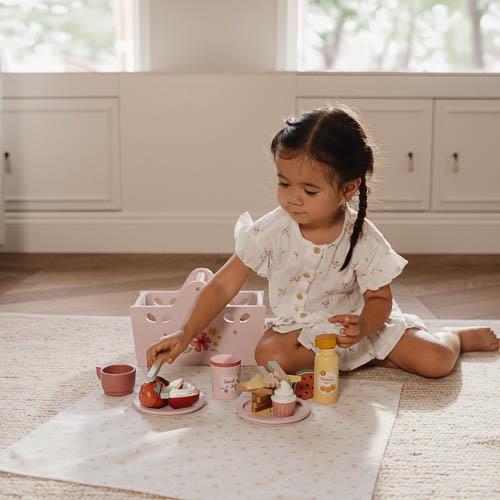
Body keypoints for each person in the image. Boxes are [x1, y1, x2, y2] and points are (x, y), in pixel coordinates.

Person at [146, 105, 498, 378]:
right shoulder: (271, 231)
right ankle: (367, 363)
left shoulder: (361, 239)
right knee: (268, 356)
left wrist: (363, 327)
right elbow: (223, 284)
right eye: (284, 184)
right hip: (300, 336)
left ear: (348, 187)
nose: (293, 199)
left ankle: (455, 336)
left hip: (358, 331)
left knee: (435, 361)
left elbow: (379, 299)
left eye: (310, 190)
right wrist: (185, 331)